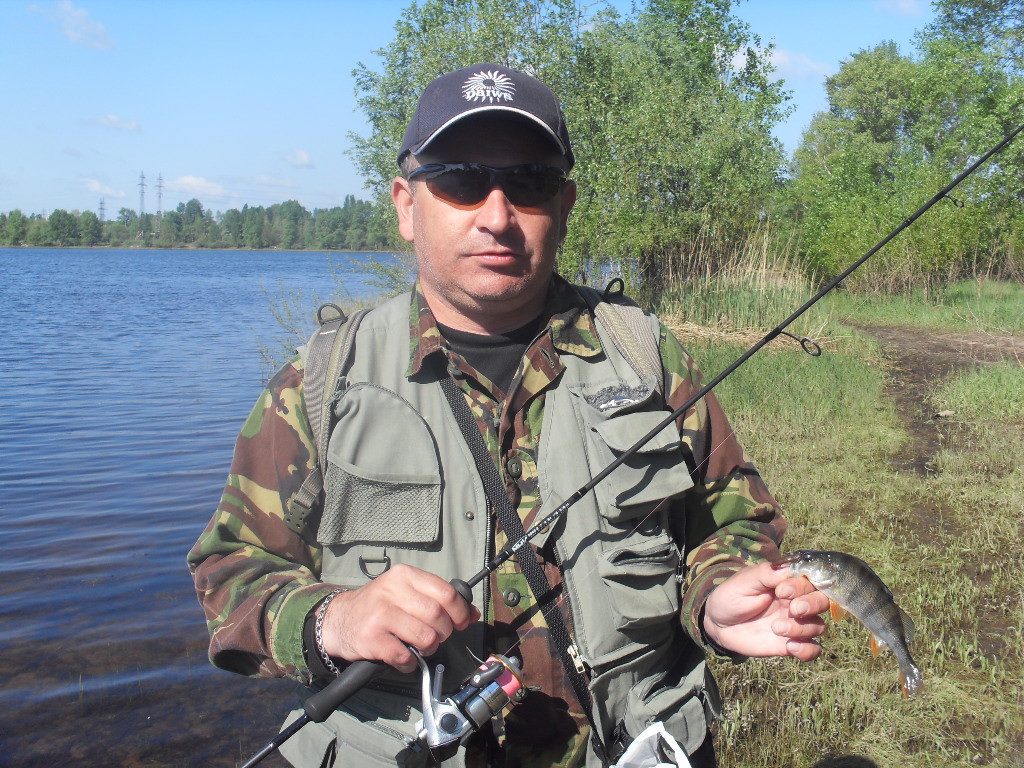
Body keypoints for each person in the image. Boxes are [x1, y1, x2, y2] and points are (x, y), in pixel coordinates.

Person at [188, 63, 830, 768]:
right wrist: (329, 620)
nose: (497, 215)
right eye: (459, 180)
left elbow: (733, 519)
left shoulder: (645, 355)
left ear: (565, 204)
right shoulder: (320, 381)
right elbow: (230, 570)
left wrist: (718, 592)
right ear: (406, 204)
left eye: (528, 182)